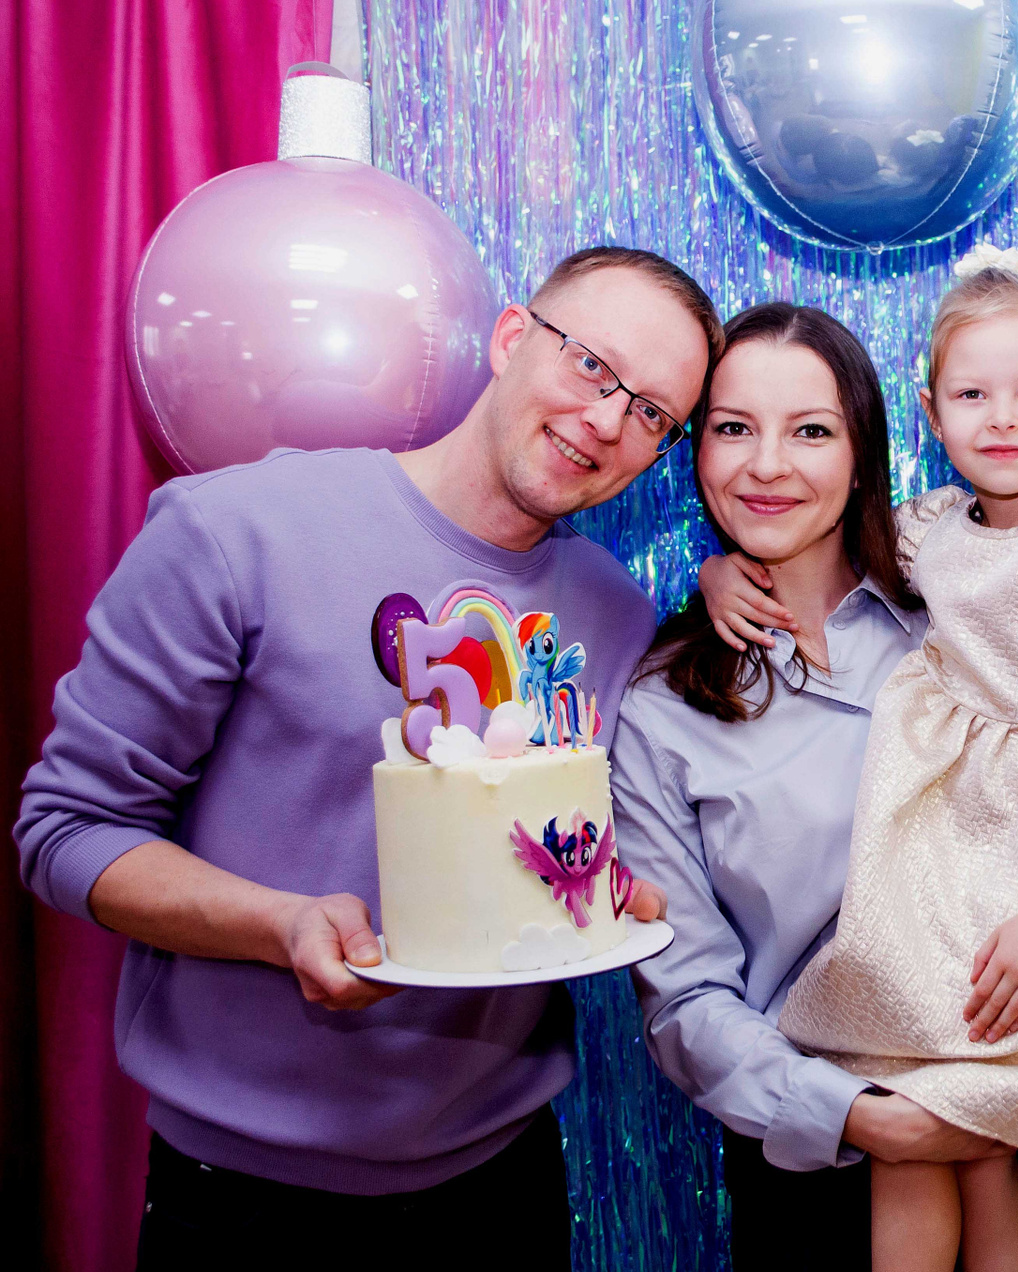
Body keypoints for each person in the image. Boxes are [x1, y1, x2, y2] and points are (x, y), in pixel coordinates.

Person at [13, 246, 720, 1267]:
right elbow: (67, 831)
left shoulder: (614, 613)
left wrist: (601, 889)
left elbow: (541, 843)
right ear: (511, 338)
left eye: (651, 412)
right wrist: (281, 925)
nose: (607, 420)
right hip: (248, 1193)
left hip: (502, 1177)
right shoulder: (238, 530)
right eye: (591, 365)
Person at [727, 245, 1018, 1272]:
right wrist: (727, 571)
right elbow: (815, 553)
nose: (1002, 418)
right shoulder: (933, 529)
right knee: (939, 1135)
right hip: (952, 870)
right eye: (972, 394)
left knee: (958, 1125)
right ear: (931, 414)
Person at [617, 301, 1018, 1271]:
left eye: (810, 431)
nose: (767, 465)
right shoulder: (662, 706)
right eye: (733, 428)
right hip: (815, 1161)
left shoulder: (963, 621)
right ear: (697, 452)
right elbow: (685, 994)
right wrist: (860, 1117)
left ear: (862, 454)